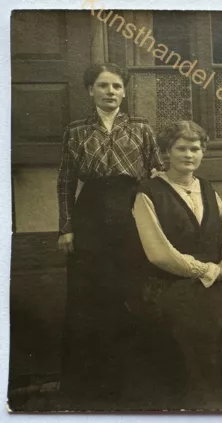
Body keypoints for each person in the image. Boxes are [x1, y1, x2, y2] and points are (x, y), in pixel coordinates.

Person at [56, 63, 164, 409]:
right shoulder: (75, 131)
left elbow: (157, 174)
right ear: (90, 90)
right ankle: (91, 386)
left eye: (117, 86)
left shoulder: (141, 128)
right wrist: (67, 227)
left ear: (124, 91)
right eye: (102, 86)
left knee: (131, 290)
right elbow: (65, 183)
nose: (110, 92)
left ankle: (134, 383)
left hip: (132, 213)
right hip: (90, 216)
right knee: (91, 297)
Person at [131, 121, 222, 410]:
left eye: (195, 148)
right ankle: (207, 408)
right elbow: (159, 253)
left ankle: (213, 405)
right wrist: (205, 271)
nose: (189, 154)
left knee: (214, 326)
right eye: (181, 148)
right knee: (197, 327)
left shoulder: (207, 189)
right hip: (167, 284)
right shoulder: (148, 192)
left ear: (203, 152)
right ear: (166, 152)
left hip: (212, 283)